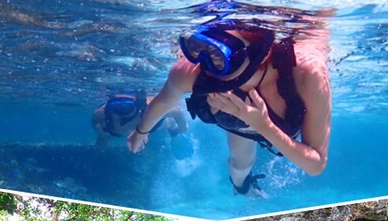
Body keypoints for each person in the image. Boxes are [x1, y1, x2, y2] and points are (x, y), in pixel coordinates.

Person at [127, 19, 331, 196]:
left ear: (260, 53)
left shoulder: (306, 74)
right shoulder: (192, 72)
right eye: (197, 49)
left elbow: (316, 165)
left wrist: (264, 125)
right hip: (238, 125)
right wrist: (140, 131)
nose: (207, 66)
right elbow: (164, 102)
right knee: (238, 165)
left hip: (272, 125)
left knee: (240, 161)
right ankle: (242, 188)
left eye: (218, 56)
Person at [92, 91, 187, 146]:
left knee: (165, 120)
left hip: (155, 123)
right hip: (112, 131)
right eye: (118, 107)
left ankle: (171, 128)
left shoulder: (149, 109)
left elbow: (178, 113)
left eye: (127, 107)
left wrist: (181, 130)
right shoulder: (101, 116)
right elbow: (98, 128)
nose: (121, 114)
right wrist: (102, 137)